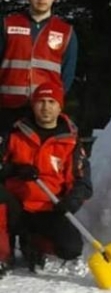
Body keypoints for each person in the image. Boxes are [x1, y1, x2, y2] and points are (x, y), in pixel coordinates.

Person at [0, 81, 92, 273]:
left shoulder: (70, 142)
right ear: (33, 105)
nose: (46, 107)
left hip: (48, 208)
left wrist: (70, 203)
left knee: (71, 248)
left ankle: (33, 243)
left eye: (51, 102)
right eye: (41, 101)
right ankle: (2, 255)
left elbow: (82, 183)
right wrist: (14, 170)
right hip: (14, 206)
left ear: (60, 106)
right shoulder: (14, 135)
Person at [0, 0, 78, 138]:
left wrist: (52, 103)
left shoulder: (66, 32)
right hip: (7, 108)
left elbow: (67, 74)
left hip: (44, 113)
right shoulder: (8, 25)